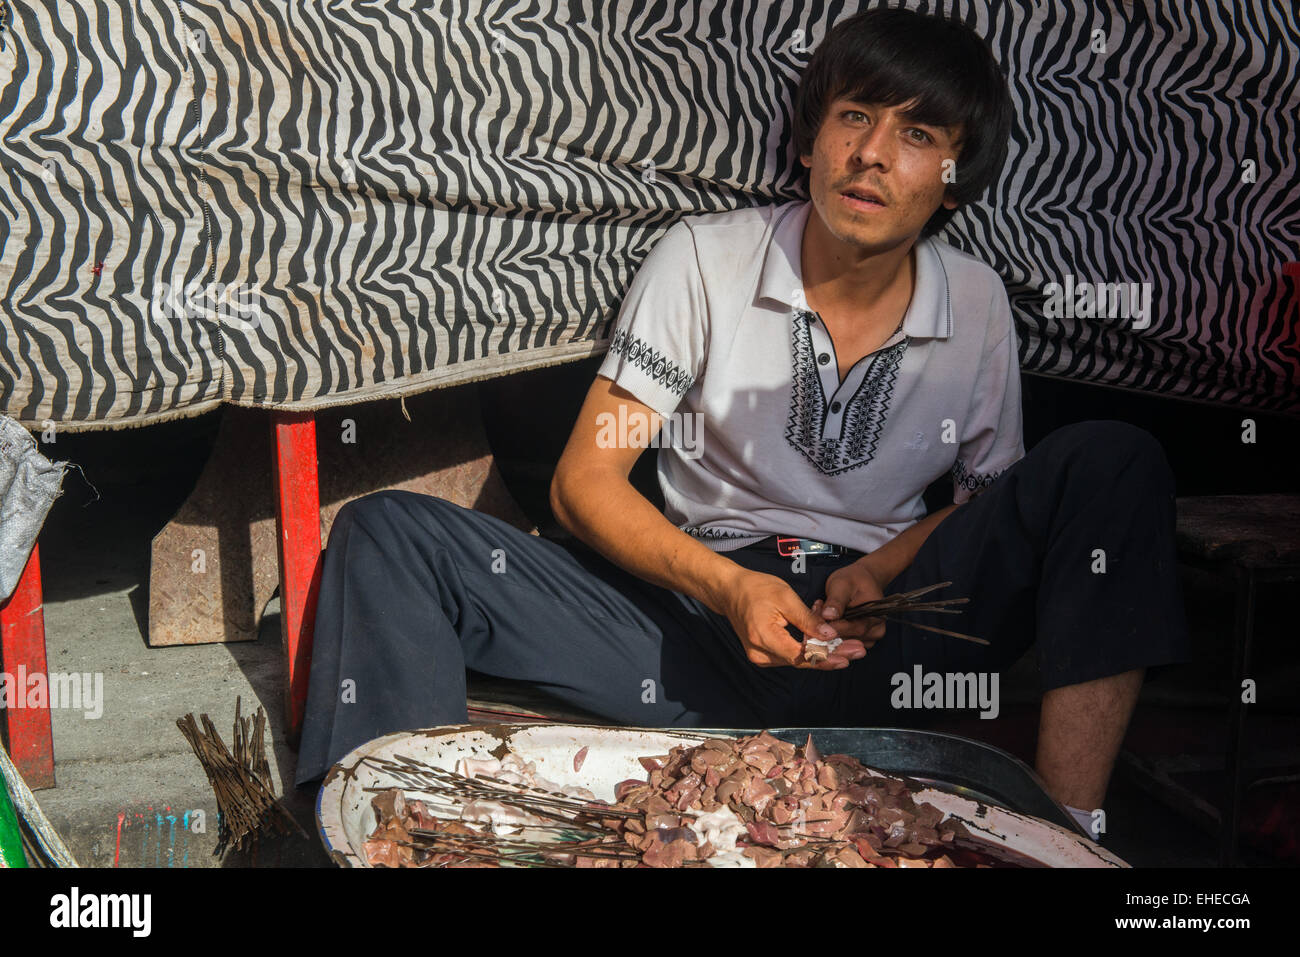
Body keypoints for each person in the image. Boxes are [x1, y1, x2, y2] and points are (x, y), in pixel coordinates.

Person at [294, 8, 1190, 837]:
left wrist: (881, 567)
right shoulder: (705, 256)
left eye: (916, 135)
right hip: (694, 625)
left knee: (1113, 461)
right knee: (390, 533)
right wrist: (731, 589)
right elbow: (583, 481)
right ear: (811, 138)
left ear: (955, 183)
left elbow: (991, 507)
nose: (870, 154)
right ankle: (383, 836)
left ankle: (1067, 835)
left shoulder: (979, 301)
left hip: (888, 637)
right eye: (854, 116)